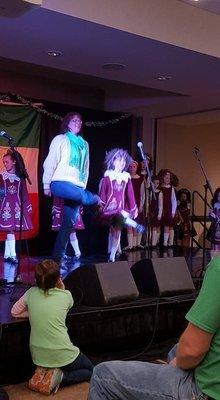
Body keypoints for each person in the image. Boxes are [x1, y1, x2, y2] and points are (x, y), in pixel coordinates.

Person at [88, 255, 220, 400]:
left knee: (102, 376)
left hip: (207, 393)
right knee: (175, 351)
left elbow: (192, 350)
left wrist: (180, 363)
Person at [11, 259, 93, 394]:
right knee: (90, 370)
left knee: (57, 362)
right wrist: (62, 289)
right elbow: (62, 311)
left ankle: (45, 371)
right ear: (58, 279)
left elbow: (14, 311)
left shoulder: (30, 293)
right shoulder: (66, 296)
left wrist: (32, 312)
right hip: (61, 352)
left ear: (36, 279)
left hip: (38, 356)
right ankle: (61, 377)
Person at [42, 112, 100, 259]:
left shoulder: (84, 144)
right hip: (59, 183)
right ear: (67, 123)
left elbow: (85, 168)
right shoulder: (60, 139)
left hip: (77, 186)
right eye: (74, 120)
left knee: (68, 223)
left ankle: (57, 256)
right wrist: (46, 184)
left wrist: (83, 186)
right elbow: (51, 161)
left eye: (80, 121)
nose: (78, 123)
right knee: (83, 196)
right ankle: (94, 198)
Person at [98, 148, 144, 262]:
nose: (122, 163)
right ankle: (134, 224)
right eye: (119, 160)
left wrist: (134, 208)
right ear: (113, 162)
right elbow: (103, 192)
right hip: (108, 208)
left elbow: (130, 194)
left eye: (124, 161)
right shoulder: (108, 176)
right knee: (114, 228)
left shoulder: (126, 177)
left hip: (120, 207)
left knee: (117, 229)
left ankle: (113, 255)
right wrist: (101, 204)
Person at [0, 150, 32, 263]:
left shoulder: (20, 178)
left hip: (17, 207)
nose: (5, 164)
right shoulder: (2, 176)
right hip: (5, 207)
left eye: (7, 162)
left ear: (14, 162)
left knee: (11, 230)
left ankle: (7, 255)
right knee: (10, 230)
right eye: (3, 162)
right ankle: (12, 255)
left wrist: (27, 206)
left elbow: (24, 194)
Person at [123, 160, 145, 251]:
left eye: (134, 167)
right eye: (130, 167)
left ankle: (135, 244)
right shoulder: (126, 178)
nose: (132, 168)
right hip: (127, 203)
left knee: (135, 224)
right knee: (129, 223)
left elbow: (142, 193)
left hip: (136, 204)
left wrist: (141, 205)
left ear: (137, 168)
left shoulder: (140, 179)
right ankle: (130, 245)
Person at [158, 169, 177, 247]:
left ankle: (168, 242)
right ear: (162, 178)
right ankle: (159, 241)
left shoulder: (171, 188)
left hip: (169, 209)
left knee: (169, 225)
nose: (168, 179)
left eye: (169, 178)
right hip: (161, 209)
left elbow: (174, 200)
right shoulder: (160, 188)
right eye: (166, 178)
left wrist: (173, 211)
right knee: (161, 225)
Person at [148, 175, 163, 247]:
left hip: (156, 211)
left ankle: (154, 243)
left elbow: (160, 204)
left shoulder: (159, 192)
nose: (156, 185)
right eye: (154, 183)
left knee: (155, 226)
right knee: (150, 227)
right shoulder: (149, 191)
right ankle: (150, 242)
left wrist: (159, 214)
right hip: (150, 211)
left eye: (157, 183)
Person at [207, 187, 220, 254]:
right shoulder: (214, 206)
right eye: (219, 196)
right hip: (216, 230)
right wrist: (212, 215)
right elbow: (211, 218)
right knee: (215, 250)